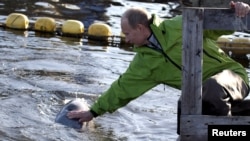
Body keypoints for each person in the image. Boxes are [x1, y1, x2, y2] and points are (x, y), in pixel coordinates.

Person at [67, 0, 250, 132]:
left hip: (233, 77)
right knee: (184, 105)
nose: (126, 39)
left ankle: (225, 133)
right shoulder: (143, 63)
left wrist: (237, 10)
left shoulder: (179, 24)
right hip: (199, 94)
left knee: (211, 88)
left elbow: (222, 26)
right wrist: (93, 112)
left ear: (140, 27)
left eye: (127, 33)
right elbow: (121, 90)